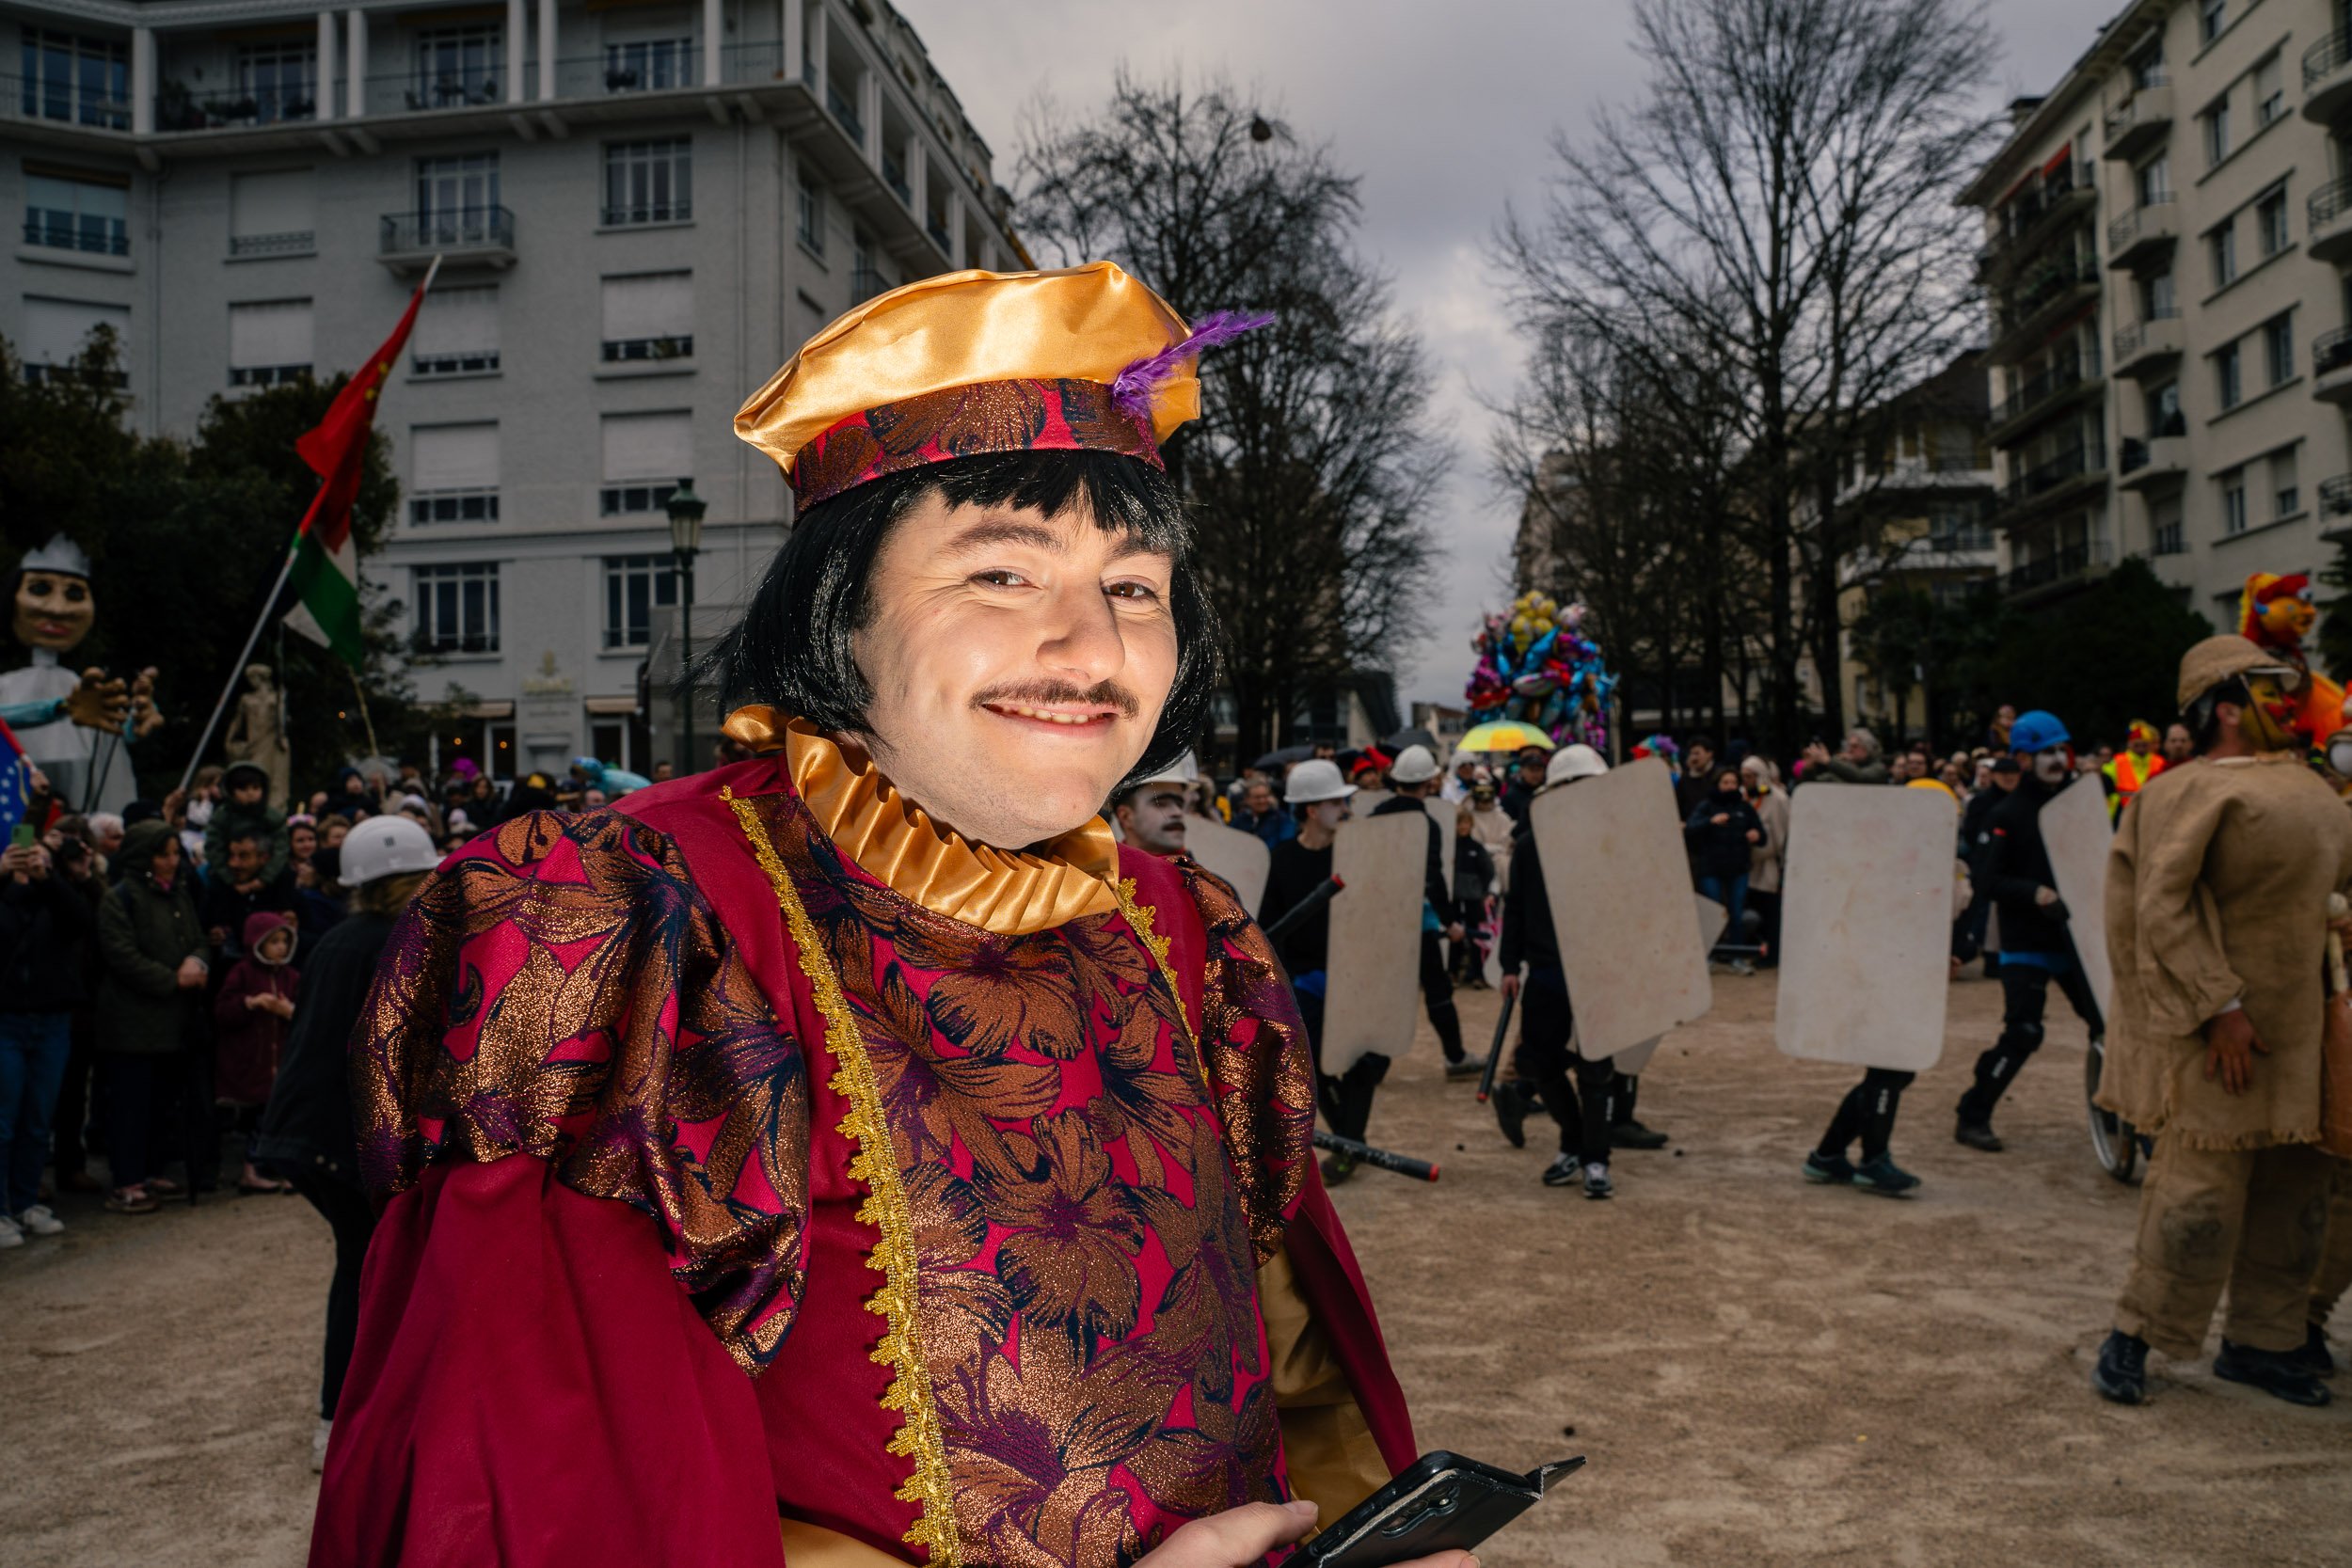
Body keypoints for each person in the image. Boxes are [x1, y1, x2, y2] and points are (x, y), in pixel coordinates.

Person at [311, 263, 1425, 1565]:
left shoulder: (1188, 928)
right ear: (839, 618)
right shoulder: (634, 925)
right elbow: (547, 1503)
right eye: (1001, 573)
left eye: (1136, 587)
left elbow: (1297, 1383)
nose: (1091, 645)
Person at [2091, 636, 2352, 1409]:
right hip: (2218, 1038)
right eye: (2269, 689)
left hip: (2303, 1034)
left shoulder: (2312, 787)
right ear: (2225, 708)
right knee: (2196, 1192)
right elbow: (2160, 909)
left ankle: (2263, 1342)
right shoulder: (2183, 793)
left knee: (2297, 1192)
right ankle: (2135, 1332)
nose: (2288, 703)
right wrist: (2220, 1008)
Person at [256, 814, 440, 1471]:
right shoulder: (400, 940)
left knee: (369, 1266)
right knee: (372, 1271)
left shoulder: (341, 937)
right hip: (342, 1133)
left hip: (307, 1127)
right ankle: (339, 1421)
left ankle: (363, 1412)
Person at [1957, 709, 2105, 1152]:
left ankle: (2115, 1114)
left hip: (2076, 940)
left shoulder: (2077, 806)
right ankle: (1973, 1114)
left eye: (2062, 750)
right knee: (2023, 1032)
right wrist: (2034, 893)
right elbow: (1987, 880)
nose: (2057, 759)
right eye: (2046, 752)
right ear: (2023, 759)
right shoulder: (2005, 813)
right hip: (2027, 943)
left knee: (2107, 1026)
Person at [1496, 743, 1624, 1199]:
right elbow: (1516, 907)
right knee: (1539, 1064)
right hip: (1548, 971)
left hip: (1597, 972)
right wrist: (1509, 965)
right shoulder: (1531, 846)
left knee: (1596, 1069)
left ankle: (1596, 1159)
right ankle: (1573, 1141)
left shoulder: (1611, 844)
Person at [93, 818, 207, 1214]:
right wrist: (172, 979)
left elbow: (197, 937)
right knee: (131, 1105)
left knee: (162, 1101)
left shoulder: (178, 894)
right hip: (132, 1024)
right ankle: (127, 1180)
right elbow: (121, 955)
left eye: (175, 853)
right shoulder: (120, 898)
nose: (172, 862)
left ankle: (154, 1169)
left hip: (173, 1021)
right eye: (163, 854)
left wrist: (197, 961)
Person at [1, 832, 93, 1245]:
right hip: (6, 1020)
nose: (26, 859)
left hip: (52, 1019)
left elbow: (82, 922)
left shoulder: (53, 894)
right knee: (4, 1121)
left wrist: (48, 878)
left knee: (39, 1120)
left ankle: (25, 1202)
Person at [1372, 744, 1474, 1079]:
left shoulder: (1377, 815)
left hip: (1381, 919)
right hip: (1420, 921)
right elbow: (1432, 879)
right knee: (1438, 991)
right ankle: (1456, 1057)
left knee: (1382, 992)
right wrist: (1450, 920)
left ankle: (1373, 1065)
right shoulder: (1426, 824)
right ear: (1429, 782)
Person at [212, 911, 298, 1196]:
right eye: (274, 942)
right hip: (251, 1062)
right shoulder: (242, 973)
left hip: (280, 1063)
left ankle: (283, 1170)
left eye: (285, 941)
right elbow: (223, 1011)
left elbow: (305, 1013)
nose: (281, 948)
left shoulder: (291, 976)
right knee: (256, 1120)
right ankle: (253, 1171)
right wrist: (250, 1003)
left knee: (281, 1118)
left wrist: (287, 1011)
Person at [1684, 768, 1762, 974]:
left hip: (1738, 868)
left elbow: (1762, 835)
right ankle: (1709, 955)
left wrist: (1756, 834)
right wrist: (1710, 822)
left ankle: (1737, 957)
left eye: (1733, 782)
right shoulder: (1707, 806)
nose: (1729, 786)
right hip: (1711, 868)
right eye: (1725, 782)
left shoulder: (1744, 808)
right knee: (1713, 912)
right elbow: (1691, 828)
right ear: (1718, 784)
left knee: (1736, 913)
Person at [1956, 754, 2022, 971]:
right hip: (1986, 865)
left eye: (2013, 774)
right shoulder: (1982, 801)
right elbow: (1972, 832)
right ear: (1994, 776)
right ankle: (1988, 956)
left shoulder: (2022, 801)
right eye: (2004, 774)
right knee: (1983, 914)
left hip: (2015, 867)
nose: (2009, 778)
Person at [1740, 755, 1788, 969]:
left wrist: (1755, 850)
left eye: (1750, 776)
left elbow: (1778, 836)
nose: (1746, 780)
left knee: (1770, 912)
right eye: (1743, 776)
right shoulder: (1742, 796)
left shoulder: (1777, 799)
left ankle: (1773, 954)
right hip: (1745, 865)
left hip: (1768, 864)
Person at [1111, 754, 1194, 859]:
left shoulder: (1195, 870)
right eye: (1161, 803)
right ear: (1126, 816)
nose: (1178, 812)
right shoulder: (1102, 868)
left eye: (1180, 804)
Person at [1450, 802, 1495, 987]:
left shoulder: (1476, 847)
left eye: (1466, 823)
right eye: (1459, 823)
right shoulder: (1450, 847)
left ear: (1471, 825)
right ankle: (1453, 972)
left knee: (1475, 937)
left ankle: (1478, 974)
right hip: (1454, 898)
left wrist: (1480, 889)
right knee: (1454, 937)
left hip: (1473, 899)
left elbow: (1488, 870)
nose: (1462, 827)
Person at [2104, 721, 2165, 819]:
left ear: (2149, 744)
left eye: (2144, 744)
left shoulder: (2160, 762)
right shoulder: (2117, 762)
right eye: (2136, 744)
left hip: (2152, 812)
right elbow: (2104, 782)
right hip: (2123, 813)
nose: (2140, 748)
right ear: (2129, 744)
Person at [1801, 728, 1890, 784]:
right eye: (1848, 746)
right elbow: (1813, 786)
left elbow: (1860, 777)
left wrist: (1829, 761)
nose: (1850, 750)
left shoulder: (1879, 768)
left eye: (1855, 746)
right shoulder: (1843, 771)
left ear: (1868, 747)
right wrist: (1809, 767)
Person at [1232, 777, 1295, 850]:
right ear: (1247, 799)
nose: (1262, 801)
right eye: (1257, 797)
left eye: (1265, 796)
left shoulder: (1281, 819)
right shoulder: (1239, 820)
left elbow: (1286, 845)